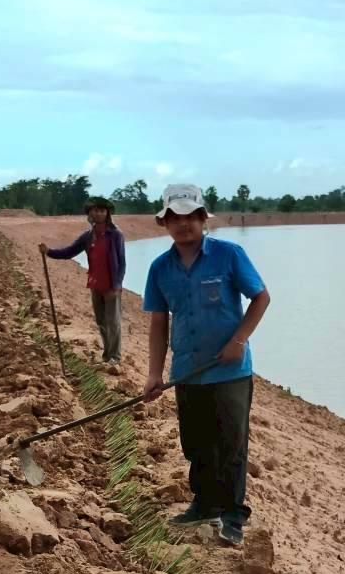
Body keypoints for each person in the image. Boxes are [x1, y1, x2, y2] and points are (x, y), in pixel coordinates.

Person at [142, 183, 271, 547]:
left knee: (231, 444)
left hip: (229, 369)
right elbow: (158, 322)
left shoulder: (229, 255)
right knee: (196, 443)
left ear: (203, 219)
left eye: (190, 217)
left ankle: (232, 515)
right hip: (187, 369)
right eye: (174, 218)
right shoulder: (159, 268)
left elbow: (261, 297)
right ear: (164, 223)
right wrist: (154, 373)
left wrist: (239, 340)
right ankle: (204, 505)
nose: (183, 224)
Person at [38, 197, 126, 364]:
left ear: (107, 213)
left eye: (102, 210)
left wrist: (117, 285)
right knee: (101, 321)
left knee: (113, 322)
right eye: (95, 210)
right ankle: (107, 354)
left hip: (111, 286)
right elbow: (69, 252)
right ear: (90, 213)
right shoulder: (87, 237)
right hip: (95, 284)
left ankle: (115, 356)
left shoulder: (116, 235)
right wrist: (49, 251)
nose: (98, 214)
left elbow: (122, 262)